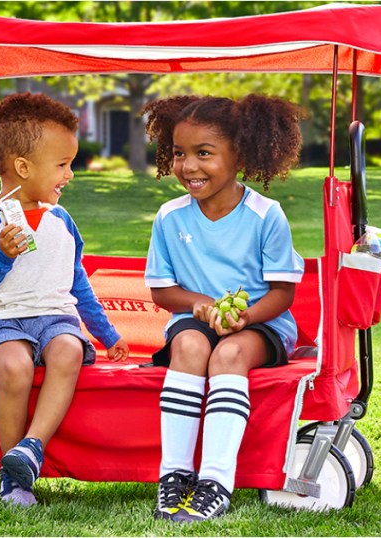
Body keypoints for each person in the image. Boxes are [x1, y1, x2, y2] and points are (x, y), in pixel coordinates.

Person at [141, 94, 306, 522]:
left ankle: (215, 480)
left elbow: (283, 294)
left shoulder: (266, 215)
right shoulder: (170, 217)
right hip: (195, 322)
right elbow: (162, 292)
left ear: (240, 155)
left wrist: (244, 317)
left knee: (229, 353)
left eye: (204, 153)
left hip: (260, 324)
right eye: (179, 153)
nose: (188, 166)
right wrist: (200, 304)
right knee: (191, 349)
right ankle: (174, 476)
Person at [0, 92, 130, 507]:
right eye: (62, 165)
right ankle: (12, 479)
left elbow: (77, 283)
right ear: (22, 167)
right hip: (3, 322)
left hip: (55, 318)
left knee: (69, 352)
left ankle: (31, 448)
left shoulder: (61, 220)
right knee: (15, 367)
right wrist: (0, 254)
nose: (70, 175)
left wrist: (106, 334)